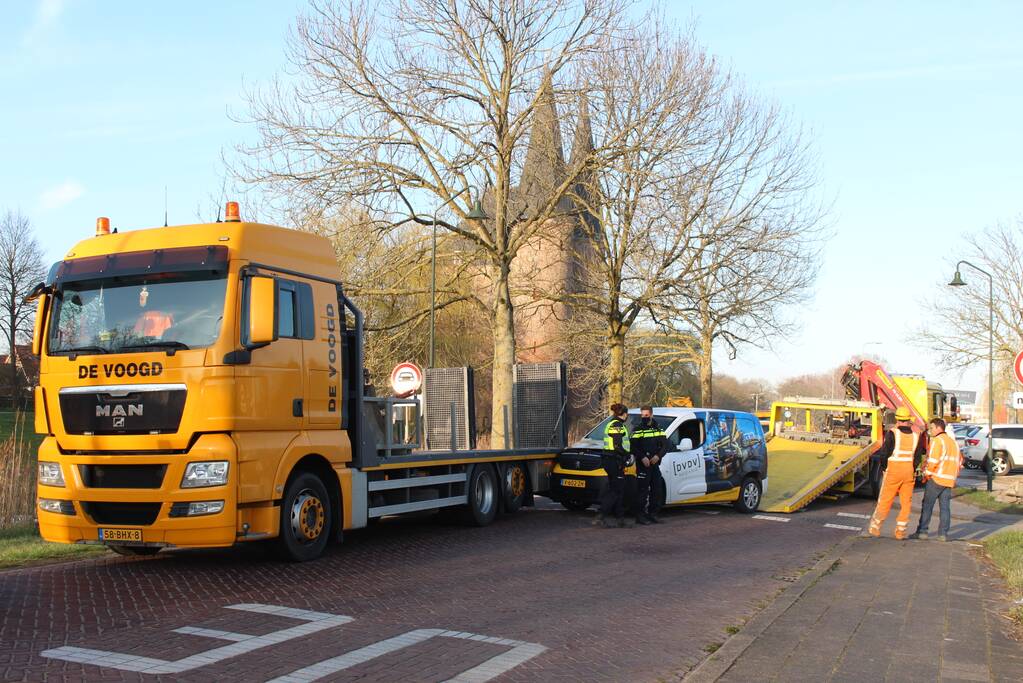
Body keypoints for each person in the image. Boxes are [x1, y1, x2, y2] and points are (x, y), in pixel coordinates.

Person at [868, 406, 926, 540]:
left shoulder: (893, 433)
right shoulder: (916, 437)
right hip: (908, 472)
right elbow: (917, 457)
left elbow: (884, 453)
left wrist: (884, 467)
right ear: (908, 421)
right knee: (906, 503)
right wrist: (911, 468)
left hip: (893, 470)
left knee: (885, 500)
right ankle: (900, 532)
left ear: (898, 420)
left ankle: (875, 528)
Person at [910, 418, 962, 541]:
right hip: (949, 480)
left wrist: (927, 474)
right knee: (945, 508)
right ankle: (943, 534)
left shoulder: (937, 441)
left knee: (927, 506)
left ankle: (922, 532)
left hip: (936, 479)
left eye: (931, 428)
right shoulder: (953, 442)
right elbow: (959, 461)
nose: (930, 431)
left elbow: (933, 461)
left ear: (939, 428)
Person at [594, 403, 633, 529]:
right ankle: (601, 515)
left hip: (611, 460)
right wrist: (626, 454)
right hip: (614, 460)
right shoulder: (617, 425)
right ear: (624, 414)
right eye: (627, 414)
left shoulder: (612, 423)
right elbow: (617, 445)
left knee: (618, 489)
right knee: (615, 490)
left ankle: (620, 519)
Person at [631, 406, 666, 525]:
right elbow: (632, 447)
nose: (644, 418)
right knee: (642, 491)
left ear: (651, 415)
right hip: (643, 465)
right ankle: (640, 516)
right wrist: (642, 457)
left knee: (657, 490)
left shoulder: (658, 428)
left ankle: (653, 514)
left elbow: (665, 445)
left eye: (646, 415)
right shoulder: (638, 429)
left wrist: (658, 456)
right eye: (642, 415)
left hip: (655, 464)